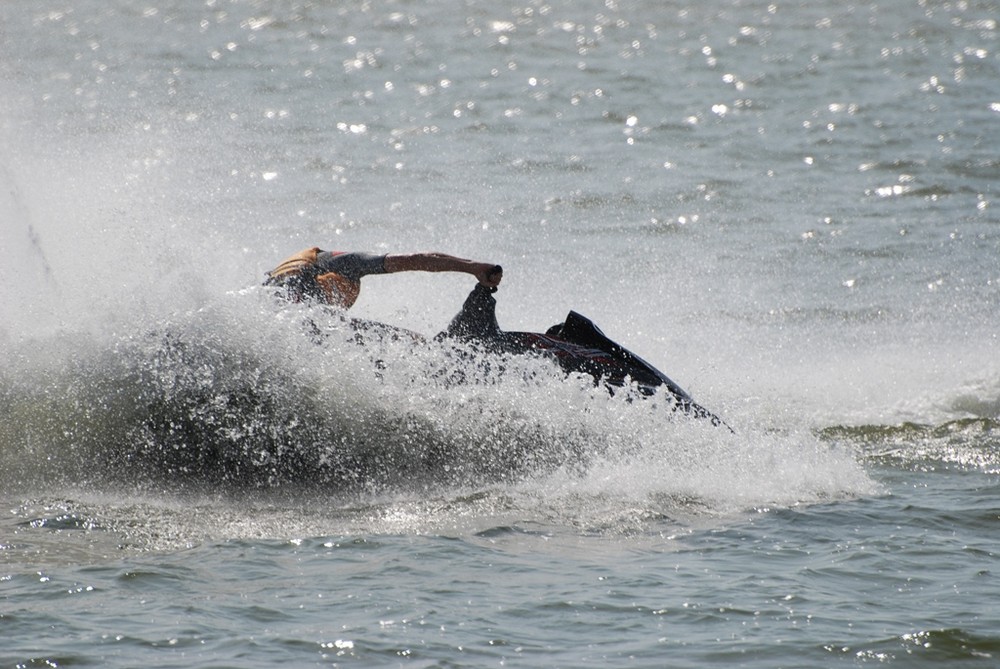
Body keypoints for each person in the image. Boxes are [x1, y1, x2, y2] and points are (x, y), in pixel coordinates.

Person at [265, 247, 502, 309]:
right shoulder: (345, 263)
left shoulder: (325, 313)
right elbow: (416, 259)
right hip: (278, 309)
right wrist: (473, 267)